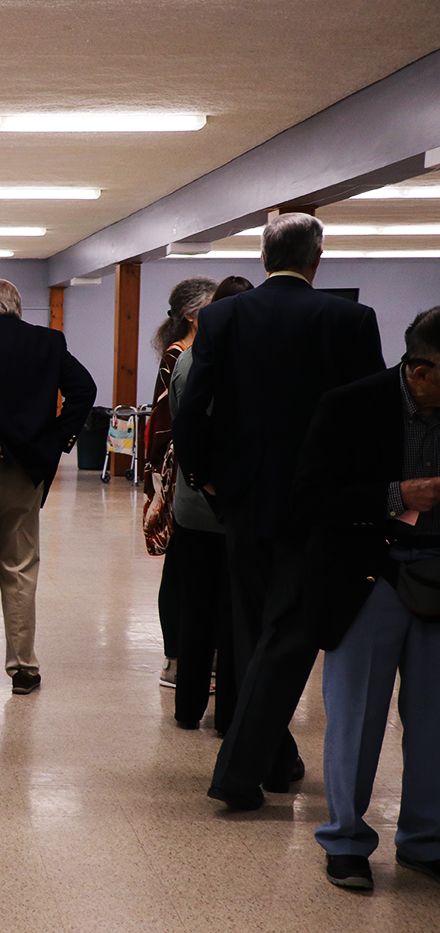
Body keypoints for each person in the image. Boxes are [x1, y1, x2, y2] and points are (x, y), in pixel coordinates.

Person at [175, 213, 385, 809]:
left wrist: (204, 476)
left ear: (264, 259)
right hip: (320, 504)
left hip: (242, 500)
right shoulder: (349, 320)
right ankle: (240, 772)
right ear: (317, 259)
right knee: (289, 633)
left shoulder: (222, 317)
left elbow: (195, 410)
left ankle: (275, 756)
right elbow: (370, 416)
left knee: (254, 630)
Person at [289, 308, 440, 891]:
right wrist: (397, 493)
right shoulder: (350, 406)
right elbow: (309, 500)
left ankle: (425, 838)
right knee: (356, 717)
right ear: (420, 370)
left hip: (436, 573)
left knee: (433, 719)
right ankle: (346, 839)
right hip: (367, 579)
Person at [0, 278, 95, 694]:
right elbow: (84, 389)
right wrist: (55, 441)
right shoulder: (48, 341)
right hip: (26, 472)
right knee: (21, 570)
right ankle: (24, 667)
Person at [163, 274, 254, 730]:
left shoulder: (189, 360)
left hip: (193, 505)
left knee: (195, 609)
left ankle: (187, 708)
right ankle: (229, 715)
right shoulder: (255, 365)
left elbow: (182, 425)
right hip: (239, 509)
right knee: (235, 615)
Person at [144, 277, 219, 689]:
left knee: (196, 565)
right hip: (182, 471)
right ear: (194, 314)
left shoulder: (208, 353)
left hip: (192, 467)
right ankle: (176, 658)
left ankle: (202, 655)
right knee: (180, 564)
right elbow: (167, 419)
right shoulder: (180, 355)